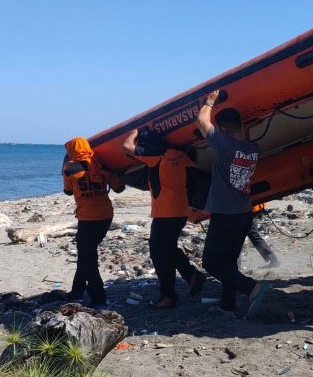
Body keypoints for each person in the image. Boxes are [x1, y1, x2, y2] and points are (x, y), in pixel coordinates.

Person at [196, 89, 269, 319]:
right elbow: (240, 136)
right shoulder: (252, 149)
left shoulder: (224, 145)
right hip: (244, 214)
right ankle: (227, 306)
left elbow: (201, 121)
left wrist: (209, 101)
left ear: (224, 130)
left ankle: (251, 288)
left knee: (211, 262)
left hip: (226, 214)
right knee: (228, 263)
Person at [122, 129, 205, 309]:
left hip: (165, 213)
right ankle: (191, 276)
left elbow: (127, 147)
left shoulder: (155, 156)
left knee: (159, 254)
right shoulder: (181, 155)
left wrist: (134, 131)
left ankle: (169, 295)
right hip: (180, 211)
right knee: (167, 249)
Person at [62, 137, 125, 309]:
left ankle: (99, 298)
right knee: (86, 254)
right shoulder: (101, 165)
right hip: (106, 216)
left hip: (87, 218)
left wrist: (66, 166)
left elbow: (68, 192)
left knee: (87, 258)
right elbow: (120, 188)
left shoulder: (70, 170)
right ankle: (77, 291)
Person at [247, 203, 280, 268]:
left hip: (249, 208)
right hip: (251, 208)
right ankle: (272, 258)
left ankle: (272, 258)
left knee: (251, 233)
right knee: (251, 233)